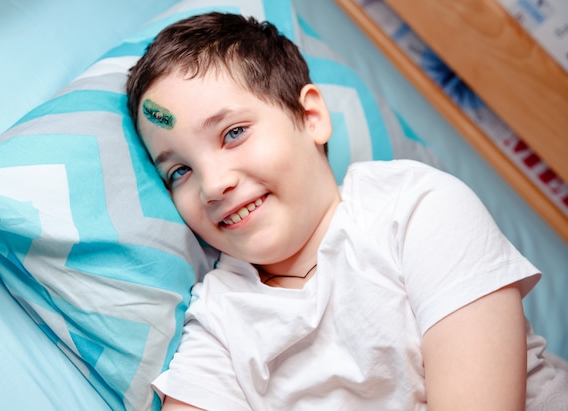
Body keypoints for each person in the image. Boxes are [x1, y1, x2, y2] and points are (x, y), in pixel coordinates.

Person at [126, 12, 568, 411]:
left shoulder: (414, 209)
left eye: (234, 133)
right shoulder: (221, 318)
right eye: (180, 171)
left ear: (311, 116)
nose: (212, 184)